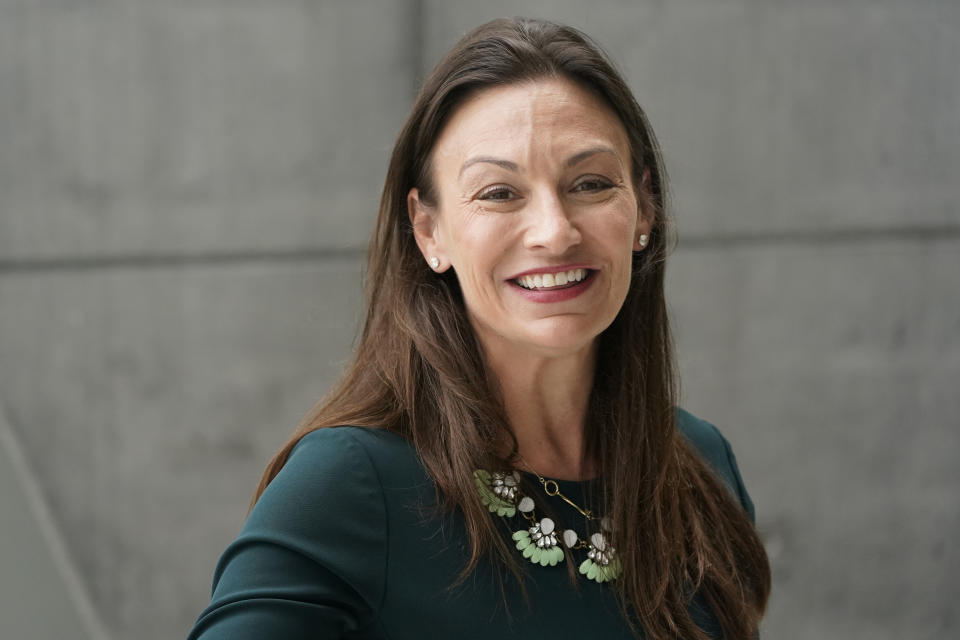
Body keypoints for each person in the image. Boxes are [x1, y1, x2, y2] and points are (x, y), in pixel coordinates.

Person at [187, 17, 770, 640]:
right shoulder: (349, 482)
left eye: (591, 183)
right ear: (428, 231)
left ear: (644, 208)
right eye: (498, 193)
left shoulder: (700, 463)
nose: (554, 230)